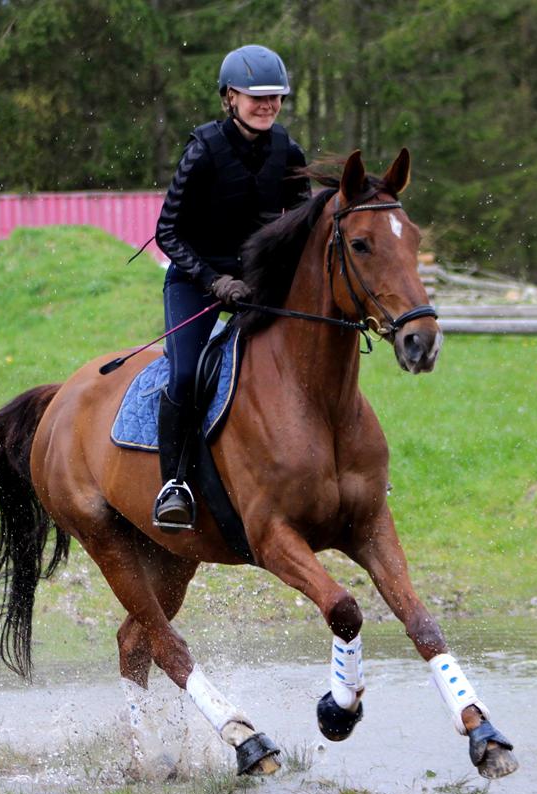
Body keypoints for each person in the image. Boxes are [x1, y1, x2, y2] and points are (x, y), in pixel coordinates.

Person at [151, 44, 310, 530]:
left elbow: (301, 229)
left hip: (258, 286)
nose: (267, 106)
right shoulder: (202, 151)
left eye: (275, 98)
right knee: (183, 377)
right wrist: (214, 280)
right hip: (196, 282)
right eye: (256, 97)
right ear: (229, 98)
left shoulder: (289, 152)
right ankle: (173, 484)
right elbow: (167, 232)